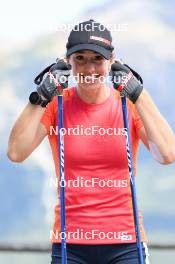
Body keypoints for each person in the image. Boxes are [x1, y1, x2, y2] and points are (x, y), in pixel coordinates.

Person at [7, 19, 175, 264]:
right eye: (80, 59)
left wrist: (138, 92)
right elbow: (16, 152)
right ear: (68, 62)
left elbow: (167, 154)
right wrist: (42, 95)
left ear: (111, 61)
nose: (89, 69)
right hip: (70, 244)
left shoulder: (128, 104)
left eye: (97, 59)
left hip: (126, 242)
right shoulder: (57, 105)